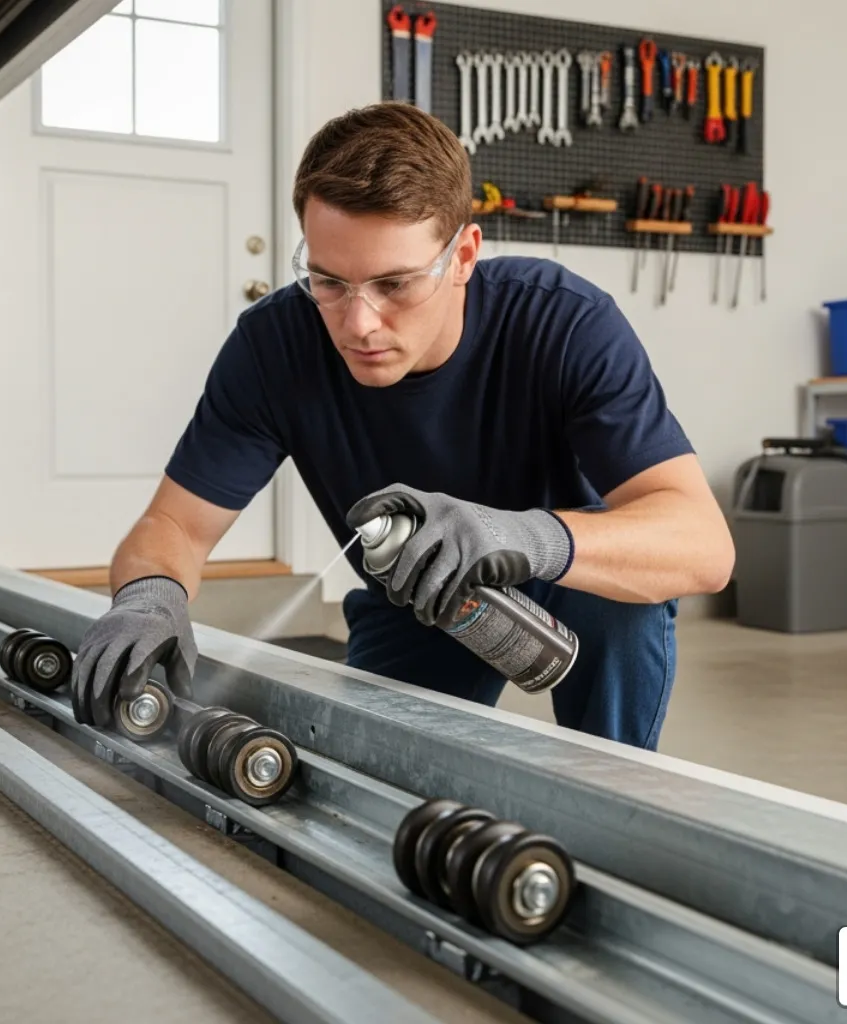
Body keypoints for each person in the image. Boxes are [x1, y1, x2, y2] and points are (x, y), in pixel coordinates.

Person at [70, 102, 734, 750]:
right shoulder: (274, 347)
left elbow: (704, 548)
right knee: (374, 775)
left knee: (622, 607)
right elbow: (177, 525)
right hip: (417, 597)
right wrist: (149, 596)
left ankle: (613, 795)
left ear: (464, 255)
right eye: (329, 281)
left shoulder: (564, 322)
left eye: (395, 284)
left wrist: (515, 534)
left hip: (575, 573)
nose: (359, 324)